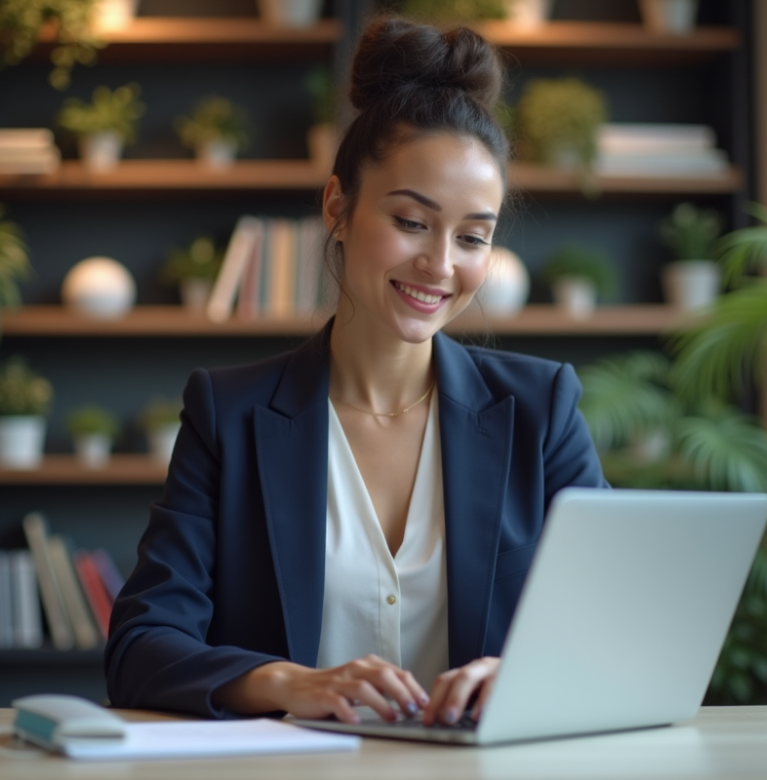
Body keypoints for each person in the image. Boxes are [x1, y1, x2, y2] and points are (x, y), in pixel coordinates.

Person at [105, 17, 609, 728]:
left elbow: (613, 625)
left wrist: (526, 672)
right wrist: (288, 683)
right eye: (411, 221)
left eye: (472, 237)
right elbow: (140, 647)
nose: (440, 265)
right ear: (338, 208)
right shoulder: (230, 414)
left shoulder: (541, 408)